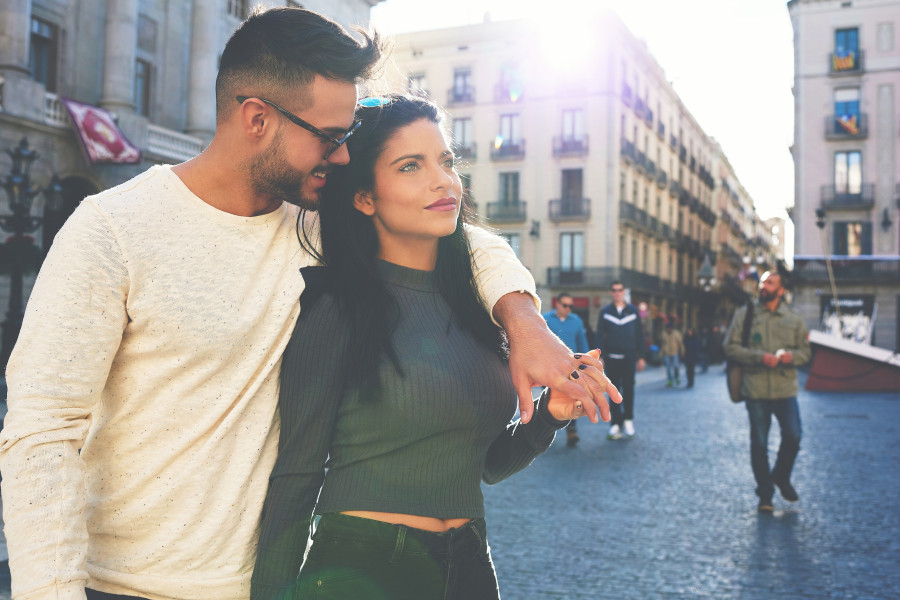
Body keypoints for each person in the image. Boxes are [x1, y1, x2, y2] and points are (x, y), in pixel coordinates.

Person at [0, 9, 615, 600]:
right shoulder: (112, 228)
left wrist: (524, 320)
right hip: (125, 586)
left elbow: (460, 235)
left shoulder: (318, 228)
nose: (344, 155)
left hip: (257, 584)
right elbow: (43, 433)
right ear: (257, 119)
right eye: (331, 136)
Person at [250, 94, 617, 600]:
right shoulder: (335, 308)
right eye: (410, 166)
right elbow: (296, 472)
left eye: (445, 161)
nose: (443, 180)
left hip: (469, 563)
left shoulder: (476, 305)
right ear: (364, 198)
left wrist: (550, 415)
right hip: (361, 565)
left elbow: (484, 464)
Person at [724, 265, 810, 512]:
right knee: (759, 443)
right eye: (762, 282)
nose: (764, 287)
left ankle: (781, 476)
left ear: (781, 290)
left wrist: (790, 356)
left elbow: (806, 353)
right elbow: (729, 347)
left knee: (793, 436)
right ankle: (765, 494)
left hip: (785, 390)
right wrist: (759, 357)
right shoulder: (745, 314)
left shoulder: (793, 319)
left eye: (770, 283)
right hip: (756, 389)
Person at [595, 281, 646, 440]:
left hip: (629, 357)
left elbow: (639, 335)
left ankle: (629, 420)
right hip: (611, 358)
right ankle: (615, 424)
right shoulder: (605, 312)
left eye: (620, 290)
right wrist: (600, 356)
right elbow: (599, 335)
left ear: (624, 292)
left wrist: (642, 357)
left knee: (629, 389)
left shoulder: (633, 312)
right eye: (614, 290)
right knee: (614, 391)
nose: (617, 293)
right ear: (611, 293)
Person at [542, 292, 589, 446]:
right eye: (565, 305)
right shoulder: (545, 319)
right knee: (548, 400)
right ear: (557, 304)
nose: (568, 308)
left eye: (571, 306)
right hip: (550, 368)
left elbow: (582, 344)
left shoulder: (576, 321)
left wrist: (587, 363)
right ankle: (545, 433)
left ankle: (572, 432)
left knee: (572, 398)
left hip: (571, 368)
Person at [660, 322, 684, 387]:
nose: (668, 330)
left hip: (675, 353)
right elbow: (663, 344)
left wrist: (682, 351)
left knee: (676, 366)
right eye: (667, 329)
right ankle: (669, 380)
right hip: (667, 353)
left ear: (672, 329)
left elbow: (680, 343)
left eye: (669, 328)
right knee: (668, 368)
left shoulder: (676, 333)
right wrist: (661, 353)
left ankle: (676, 377)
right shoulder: (664, 334)